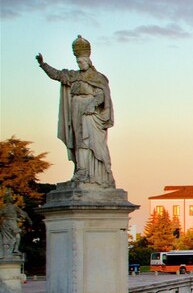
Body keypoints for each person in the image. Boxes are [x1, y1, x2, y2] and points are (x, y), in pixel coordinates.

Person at [36, 36, 115, 187]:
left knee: (89, 141)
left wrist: (92, 105)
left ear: (88, 62)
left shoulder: (97, 78)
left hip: (89, 114)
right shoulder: (74, 75)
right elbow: (57, 75)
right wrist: (43, 64)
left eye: (81, 61)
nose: (79, 64)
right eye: (77, 62)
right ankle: (80, 170)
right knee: (78, 141)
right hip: (75, 110)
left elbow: (101, 94)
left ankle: (92, 173)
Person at [0, 189, 29, 257]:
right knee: (14, 237)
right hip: (8, 224)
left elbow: (23, 213)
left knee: (15, 236)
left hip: (10, 223)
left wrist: (27, 218)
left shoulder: (12, 207)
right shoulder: (6, 208)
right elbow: (23, 214)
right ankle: (13, 250)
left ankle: (14, 249)